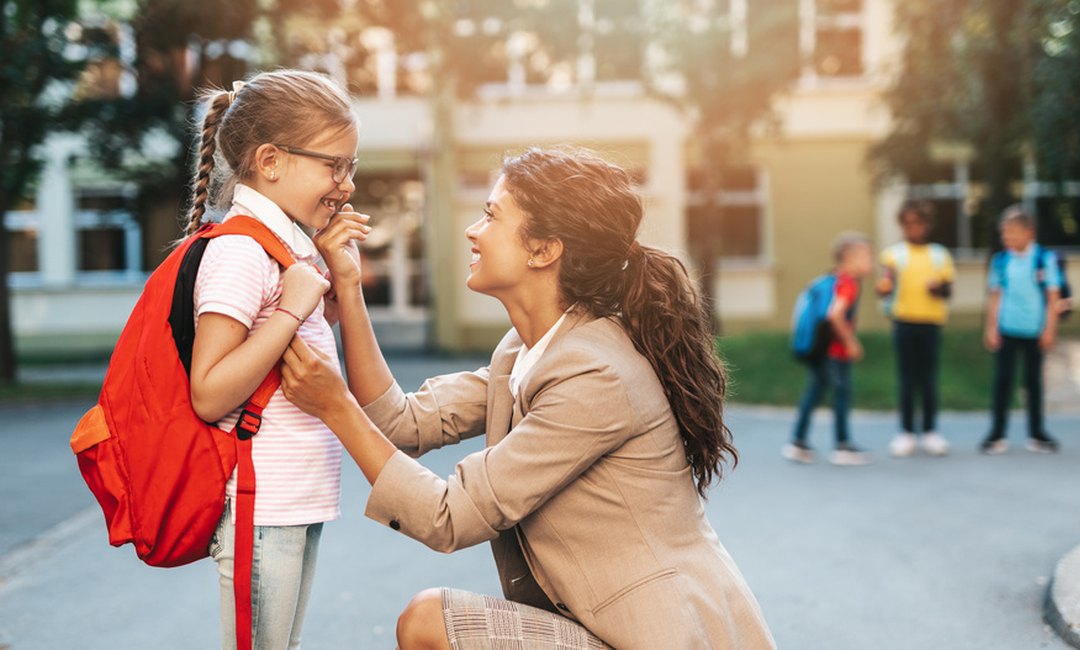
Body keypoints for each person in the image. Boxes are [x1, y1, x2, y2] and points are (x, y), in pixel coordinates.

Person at [280, 147, 776, 648]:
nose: (474, 231)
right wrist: (349, 284)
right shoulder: (528, 351)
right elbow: (401, 423)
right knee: (429, 619)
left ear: (543, 250)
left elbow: (447, 516)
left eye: (492, 215)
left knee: (429, 620)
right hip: (603, 628)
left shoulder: (594, 374)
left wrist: (334, 406)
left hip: (660, 636)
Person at [186, 69, 367, 649]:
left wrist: (332, 293)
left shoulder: (284, 247)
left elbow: (285, 359)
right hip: (261, 504)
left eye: (351, 168)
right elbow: (210, 391)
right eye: (333, 165)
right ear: (270, 161)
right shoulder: (240, 250)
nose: (346, 185)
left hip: (291, 499)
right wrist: (293, 308)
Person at [783, 233, 874, 466]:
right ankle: (843, 445)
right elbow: (835, 314)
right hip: (834, 351)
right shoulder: (848, 283)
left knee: (814, 392)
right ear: (849, 258)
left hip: (820, 349)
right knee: (842, 394)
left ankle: (798, 443)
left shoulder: (834, 279)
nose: (871, 262)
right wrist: (851, 342)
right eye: (867, 256)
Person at [876, 201, 955, 458]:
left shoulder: (940, 255)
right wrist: (883, 288)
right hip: (904, 321)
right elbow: (884, 285)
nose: (913, 228)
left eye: (918, 223)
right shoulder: (893, 254)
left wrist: (938, 289)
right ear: (902, 226)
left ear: (927, 225)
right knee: (907, 378)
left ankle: (931, 432)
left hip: (931, 321)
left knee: (928, 378)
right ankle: (906, 432)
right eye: (908, 223)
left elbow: (948, 291)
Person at [981, 206, 1061, 454]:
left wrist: (1050, 330)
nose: (1008, 239)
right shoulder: (1001, 261)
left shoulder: (1044, 259)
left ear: (1029, 232)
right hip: (1007, 329)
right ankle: (997, 434)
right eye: (1004, 234)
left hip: (1034, 331)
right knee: (1002, 382)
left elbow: (1052, 297)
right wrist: (990, 327)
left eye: (1013, 233)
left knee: (1033, 383)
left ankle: (1036, 433)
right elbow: (995, 296)